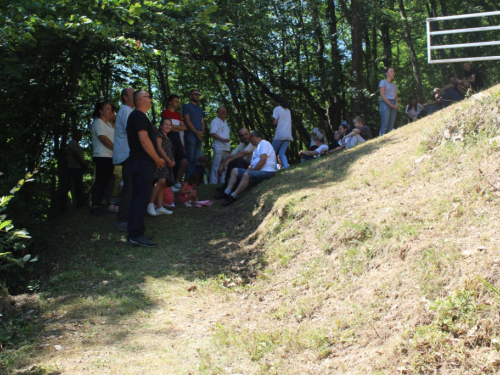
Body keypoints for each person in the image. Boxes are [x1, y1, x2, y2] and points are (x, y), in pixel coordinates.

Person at [126, 90, 165, 247]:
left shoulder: (138, 116)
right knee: (141, 198)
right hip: (142, 163)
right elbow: (143, 139)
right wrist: (157, 159)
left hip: (139, 163)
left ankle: (136, 233)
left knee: (139, 198)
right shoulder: (138, 116)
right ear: (141, 99)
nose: (151, 100)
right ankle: (135, 235)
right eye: (149, 97)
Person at [222, 130, 276, 206]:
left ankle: (233, 196)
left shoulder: (264, 143)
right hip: (257, 172)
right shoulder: (256, 149)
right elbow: (251, 165)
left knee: (247, 175)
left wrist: (250, 172)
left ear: (253, 137)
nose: (250, 141)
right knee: (235, 171)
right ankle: (226, 192)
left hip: (267, 172)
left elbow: (263, 160)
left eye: (250, 139)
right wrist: (248, 171)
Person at [113, 88, 135, 231]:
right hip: (127, 154)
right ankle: (123, 220)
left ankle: (128, 218)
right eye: (133, 94)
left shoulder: (128, 111)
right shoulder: (126, 110)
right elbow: (133, 131)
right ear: (125, 97)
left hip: (128, 154)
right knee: (129, 185)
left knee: (131, 185)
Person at [214, 128, 256, 197]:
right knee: (235, 160)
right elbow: (230, 155)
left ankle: (229, 187)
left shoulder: (253, 143)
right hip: (247, 167)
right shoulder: (242, 145)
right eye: (242, 135)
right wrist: (221, 165)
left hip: (253, 168)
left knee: (238, 160)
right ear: (239, 137)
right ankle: (226, 186)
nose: (245, 137)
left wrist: (229, 160)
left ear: (249, 134)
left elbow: (243, 153)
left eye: (246, 134)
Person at [147, 117, 176, 216]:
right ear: (161, 126)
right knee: (161, 180)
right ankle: (150, 203)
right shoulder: (159, 135)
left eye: (170, 124)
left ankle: (159, 207)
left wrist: (173, 161)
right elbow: (159, 148)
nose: (168, 126)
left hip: (168, 163)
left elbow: (170, 151)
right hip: (161, 162)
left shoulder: (168, 138)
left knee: (163, 184)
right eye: (165, 124)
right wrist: (167, 160)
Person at [90, 102, 115, 216]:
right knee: (100, 181)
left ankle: (100, 205)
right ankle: (95, 206)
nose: (110, 111)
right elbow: (103, 138)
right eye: (108, 109)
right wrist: (116, 150)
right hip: (101, 155)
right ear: (100, 111)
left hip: (110, 156)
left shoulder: (109, 124)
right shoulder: (98, 122)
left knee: (105, 181)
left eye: (111, 109)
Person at [161, 95, 188, 191]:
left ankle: (177, 182)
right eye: (175, 101)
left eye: (178, 101)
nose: (177, 103)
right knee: (170, 162)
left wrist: (176, 128)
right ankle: (169, 184)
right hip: (169, 140)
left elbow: (185, 127)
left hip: (178, 140)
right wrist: (177, 128)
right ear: (170, 102)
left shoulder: (178, 115)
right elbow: (168, 128)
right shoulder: (165, 112)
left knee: (184, 161)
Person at [182, 90, 205, 179]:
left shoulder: (199, 109)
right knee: (190, 159)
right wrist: (196, 132)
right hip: (190, 135)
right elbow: (187, 120)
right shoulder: (186, 106)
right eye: (195, 94)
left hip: (199, 136)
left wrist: (201, 132)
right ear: (190, 96)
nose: (198, 96)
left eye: (199, 94)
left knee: (195, 159)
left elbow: (202, 122)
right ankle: (187, 180)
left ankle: (191, 181)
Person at [209, 107, 231, 184]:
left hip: (226, 148)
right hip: (218, 147)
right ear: (218, 113)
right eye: (223, 112)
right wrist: (223, 139)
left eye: (225, 112)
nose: (225, 113)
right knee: (216, 166)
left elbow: (227, 136)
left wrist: (229, 147)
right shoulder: (215, 121)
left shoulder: (226, 122)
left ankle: (223, 182)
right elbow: (212, 133)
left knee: (224, 166)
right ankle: (213, 182)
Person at [67, 129, 87, 207]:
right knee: (77, 185)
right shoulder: (72, 143)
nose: (80, 136)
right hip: (74, 167)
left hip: (78, 167)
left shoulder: (77, 144)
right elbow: (75, 154)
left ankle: (81, 202)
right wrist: (82, 163)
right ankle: (79, 202)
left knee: (79, 184)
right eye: (79, 134)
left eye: (81, 135)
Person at [272, 97, 293, 169]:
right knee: (282, 153)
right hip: (288, 134)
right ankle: (286, 167)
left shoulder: (277, 109)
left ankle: (274, 168)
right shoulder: (288, 110)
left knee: (272, 152)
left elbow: (275, 122)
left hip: (280, 135)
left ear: (278, 102)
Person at [379, 67, 398, 136]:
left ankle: (390, 140)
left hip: (393, 103)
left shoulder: (394, 84)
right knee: (385, 124)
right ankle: (381, 140)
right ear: (386, 73)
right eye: (391, 71)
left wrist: (396, 104)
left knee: (391, 124)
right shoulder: (383, 82)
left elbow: (396, 96)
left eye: (393, 71)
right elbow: (382, 95)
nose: (393, 73)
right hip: (385, 103)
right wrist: (390, 104)